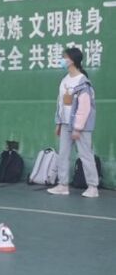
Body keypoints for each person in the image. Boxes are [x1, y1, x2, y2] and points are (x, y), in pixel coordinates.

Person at [48, 47, 99, 198]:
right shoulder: (65, 80)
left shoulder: (83, 82)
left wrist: (77, 128)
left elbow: (84, 107)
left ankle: (93, 187)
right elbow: (60, 103)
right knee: (63, 154)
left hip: (80, 127)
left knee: (85, 155)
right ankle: (63, 185)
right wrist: (58, 123)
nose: (62, 60)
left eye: (65, 57)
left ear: (72, 60)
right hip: (65, 124)